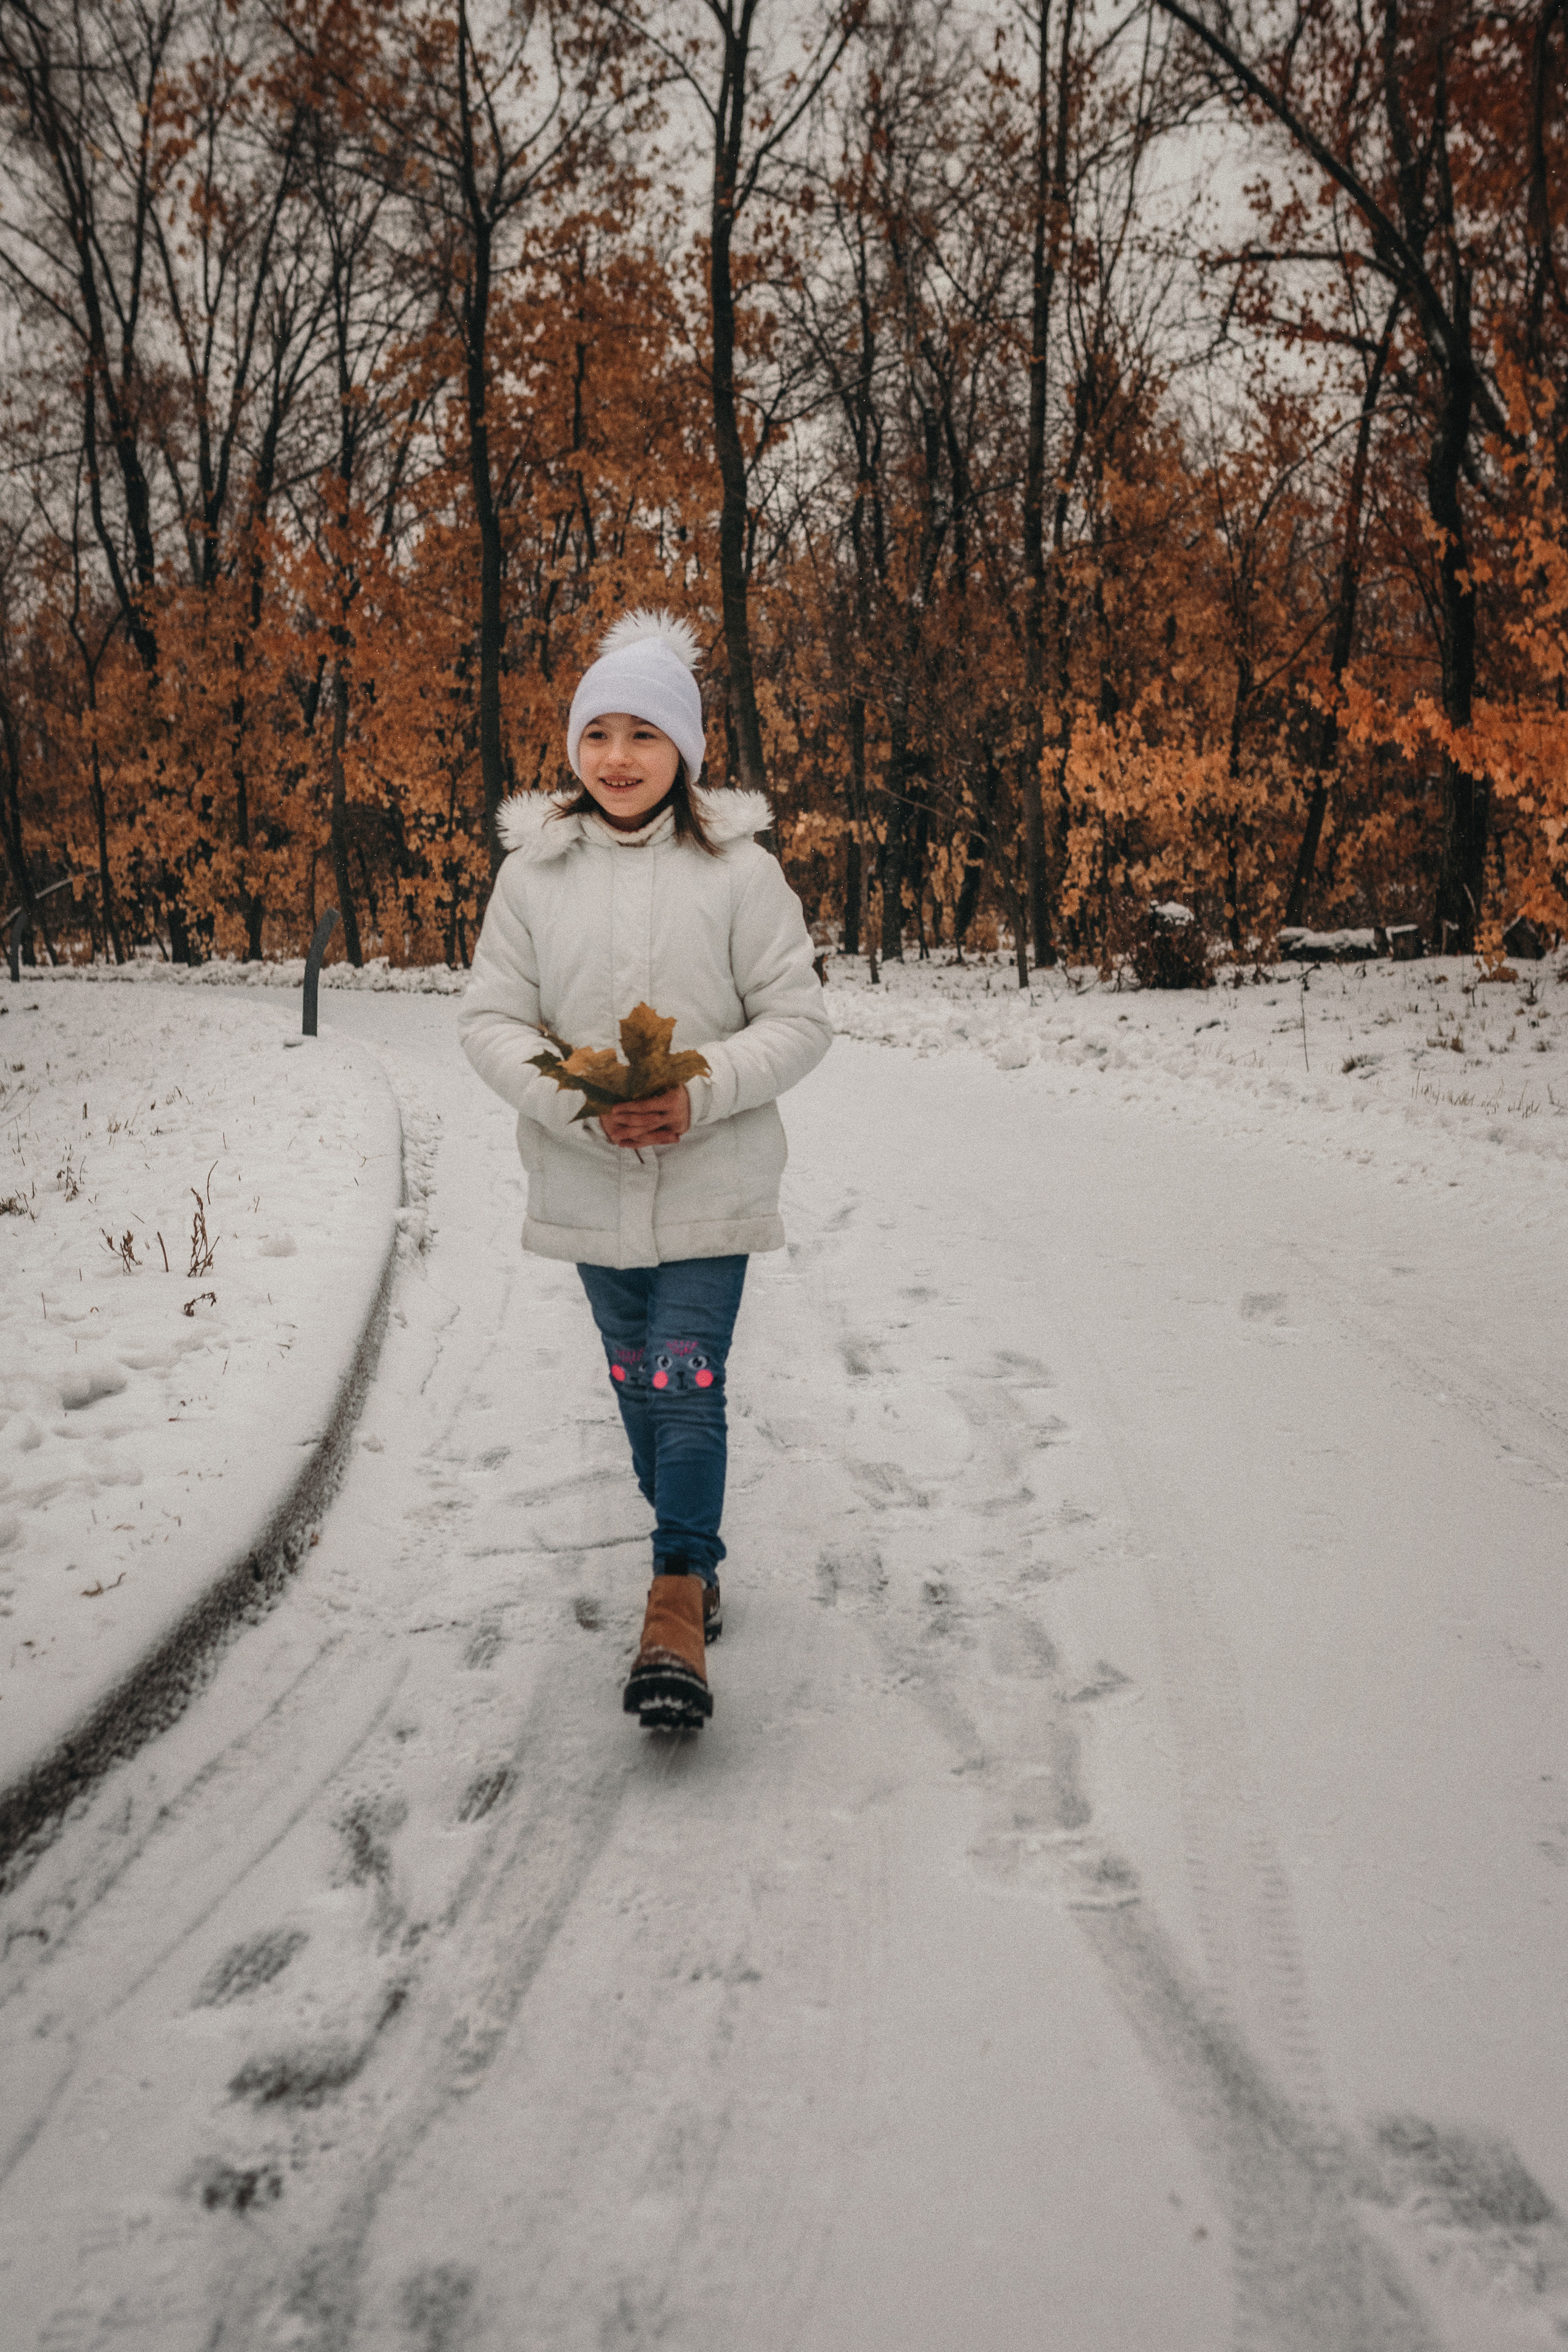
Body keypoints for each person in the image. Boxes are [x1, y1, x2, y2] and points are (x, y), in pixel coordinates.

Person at [459, 611, 832, 1730]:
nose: (618, 758)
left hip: (712, 1187)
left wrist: (699, 1089)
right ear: (575, 749)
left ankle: (673, 1600)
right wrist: (581, 1104)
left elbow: (799, 1020)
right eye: (598, 735)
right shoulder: (534, 879)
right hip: (586, 1186)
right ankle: (697, 1560)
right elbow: (490, 1020)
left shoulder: (740, 875)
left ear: (686, 752)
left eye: (646, 736)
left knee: (683, 1375)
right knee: (638, 1386)